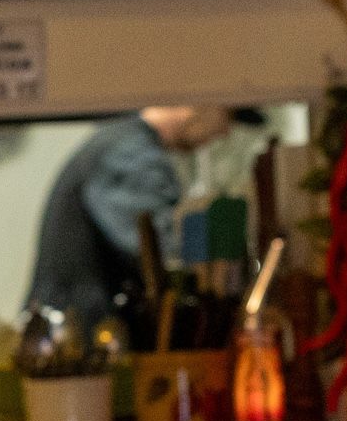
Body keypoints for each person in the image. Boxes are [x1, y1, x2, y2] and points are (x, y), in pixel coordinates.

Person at [24, 106, 235, 325]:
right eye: (229, 115)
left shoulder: (124, 142)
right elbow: (164, 250)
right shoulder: (129, 150)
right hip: (83, 338)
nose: (225, 132)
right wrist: (222, 231)